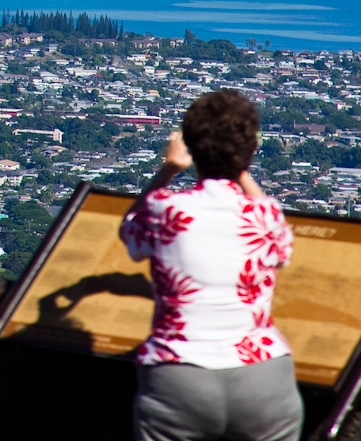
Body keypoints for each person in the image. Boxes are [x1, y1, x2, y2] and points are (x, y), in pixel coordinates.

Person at [120, 91, 302, 441]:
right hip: (263, 375)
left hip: (179, 371)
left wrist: (169, 168)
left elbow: (131, 229)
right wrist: (240, 167)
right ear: (249, 150)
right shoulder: (264, 213)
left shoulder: (165, 209)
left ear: (190, 146)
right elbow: (280, 247)